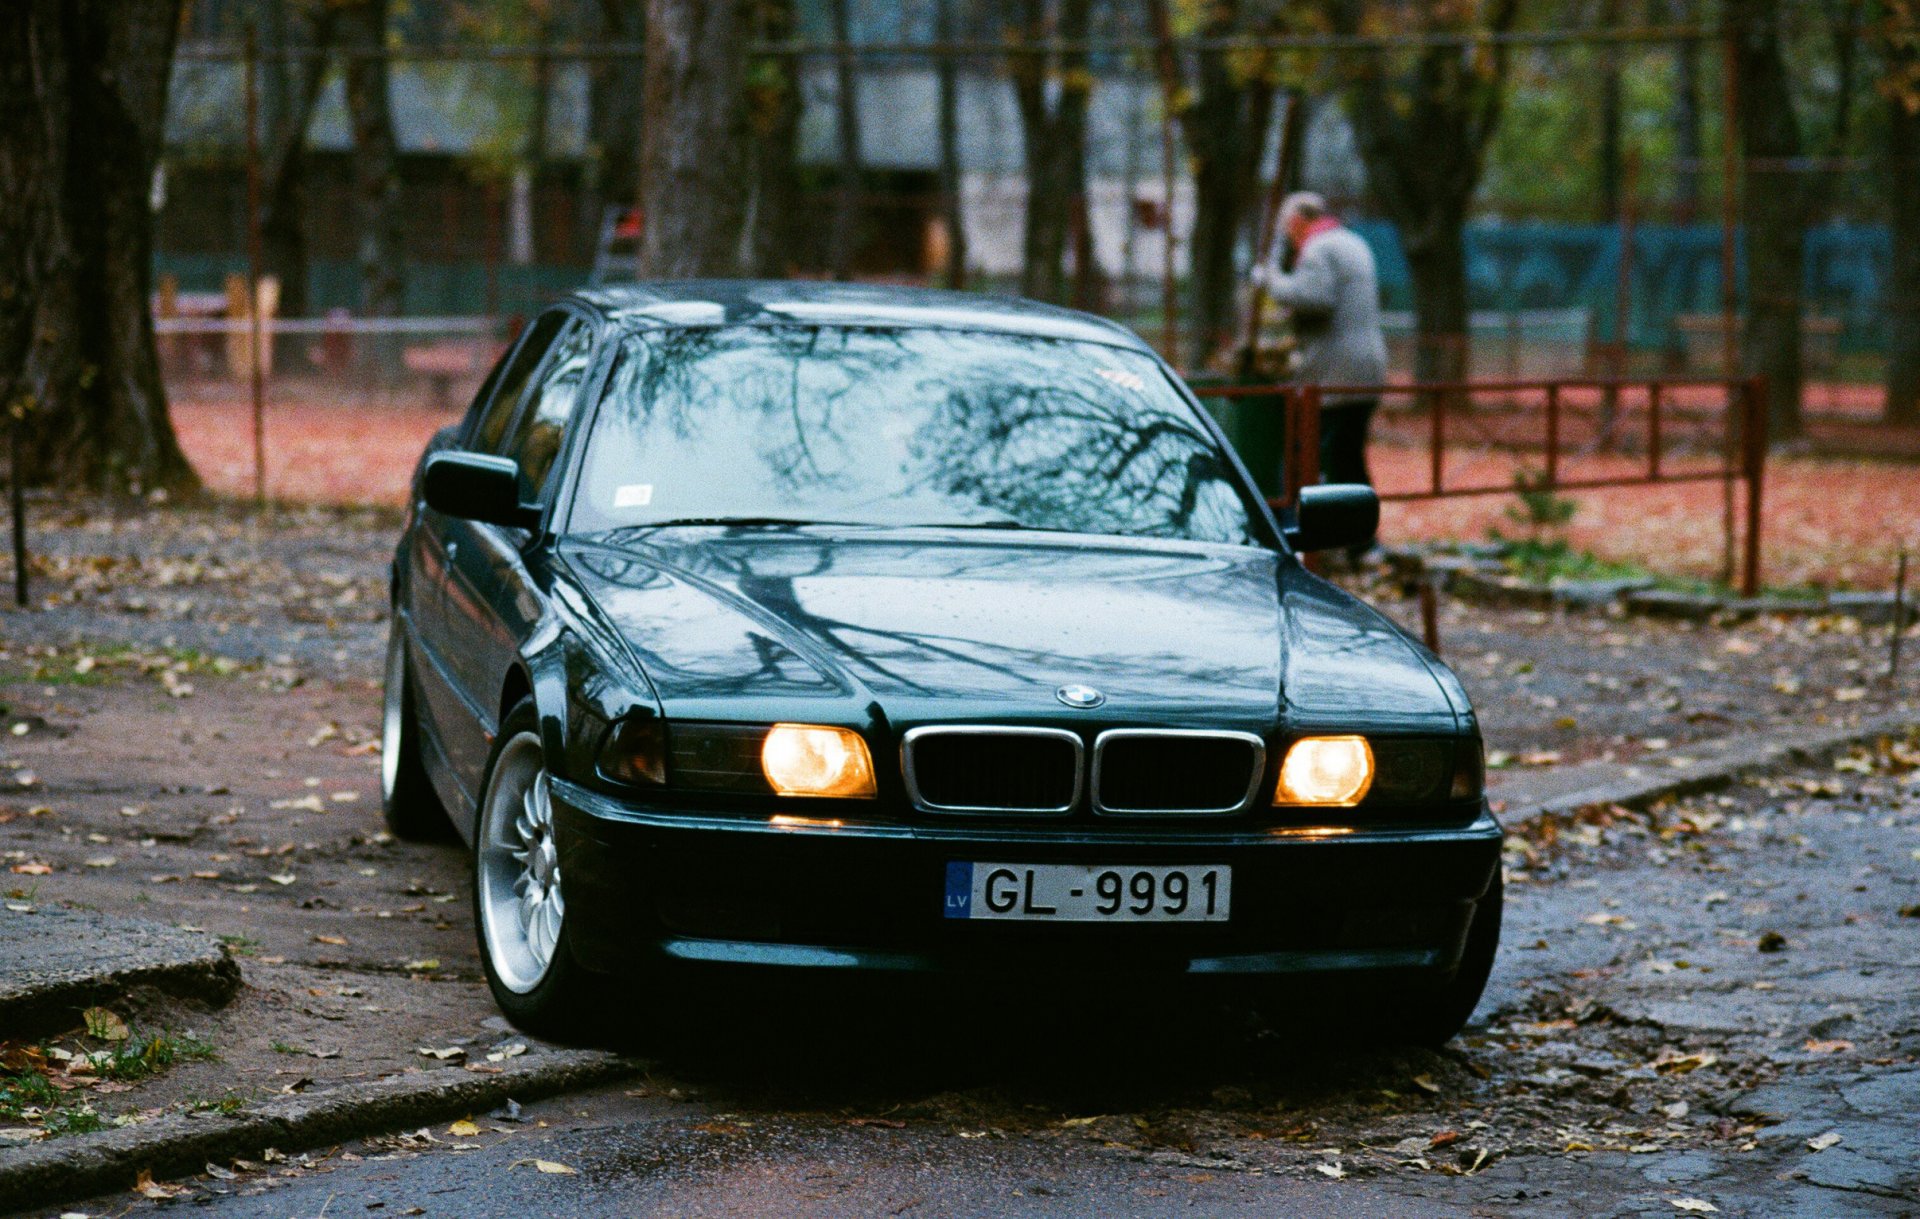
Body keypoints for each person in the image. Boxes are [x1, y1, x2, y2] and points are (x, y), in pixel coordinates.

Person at [1250, 192, 1388, 555]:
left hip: (1332, 375)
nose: (1287, 236)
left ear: (1298, 220)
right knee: (1348, 458)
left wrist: (1271, 279)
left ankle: (1291, 533)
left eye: (1286, 227)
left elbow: (1316, 298)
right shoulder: (1353, 242)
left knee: (1301, 454)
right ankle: (1362, 542)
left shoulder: (1319, 248)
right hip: (1367, 369)